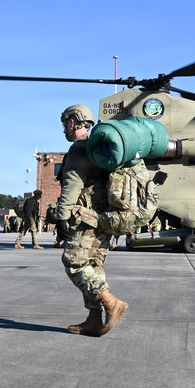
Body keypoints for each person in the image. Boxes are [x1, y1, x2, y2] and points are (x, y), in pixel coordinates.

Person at [55, 104, 128, 337]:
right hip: (105, 219)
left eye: (66, 122)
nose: (65, 127)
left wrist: (61, 216)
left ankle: (111, 303)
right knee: (94, 265)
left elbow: (72, 185)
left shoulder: (79, 149)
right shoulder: (97, 148)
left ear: (75, 122)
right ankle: (94, 319)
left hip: (86, 219)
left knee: (74, 262)